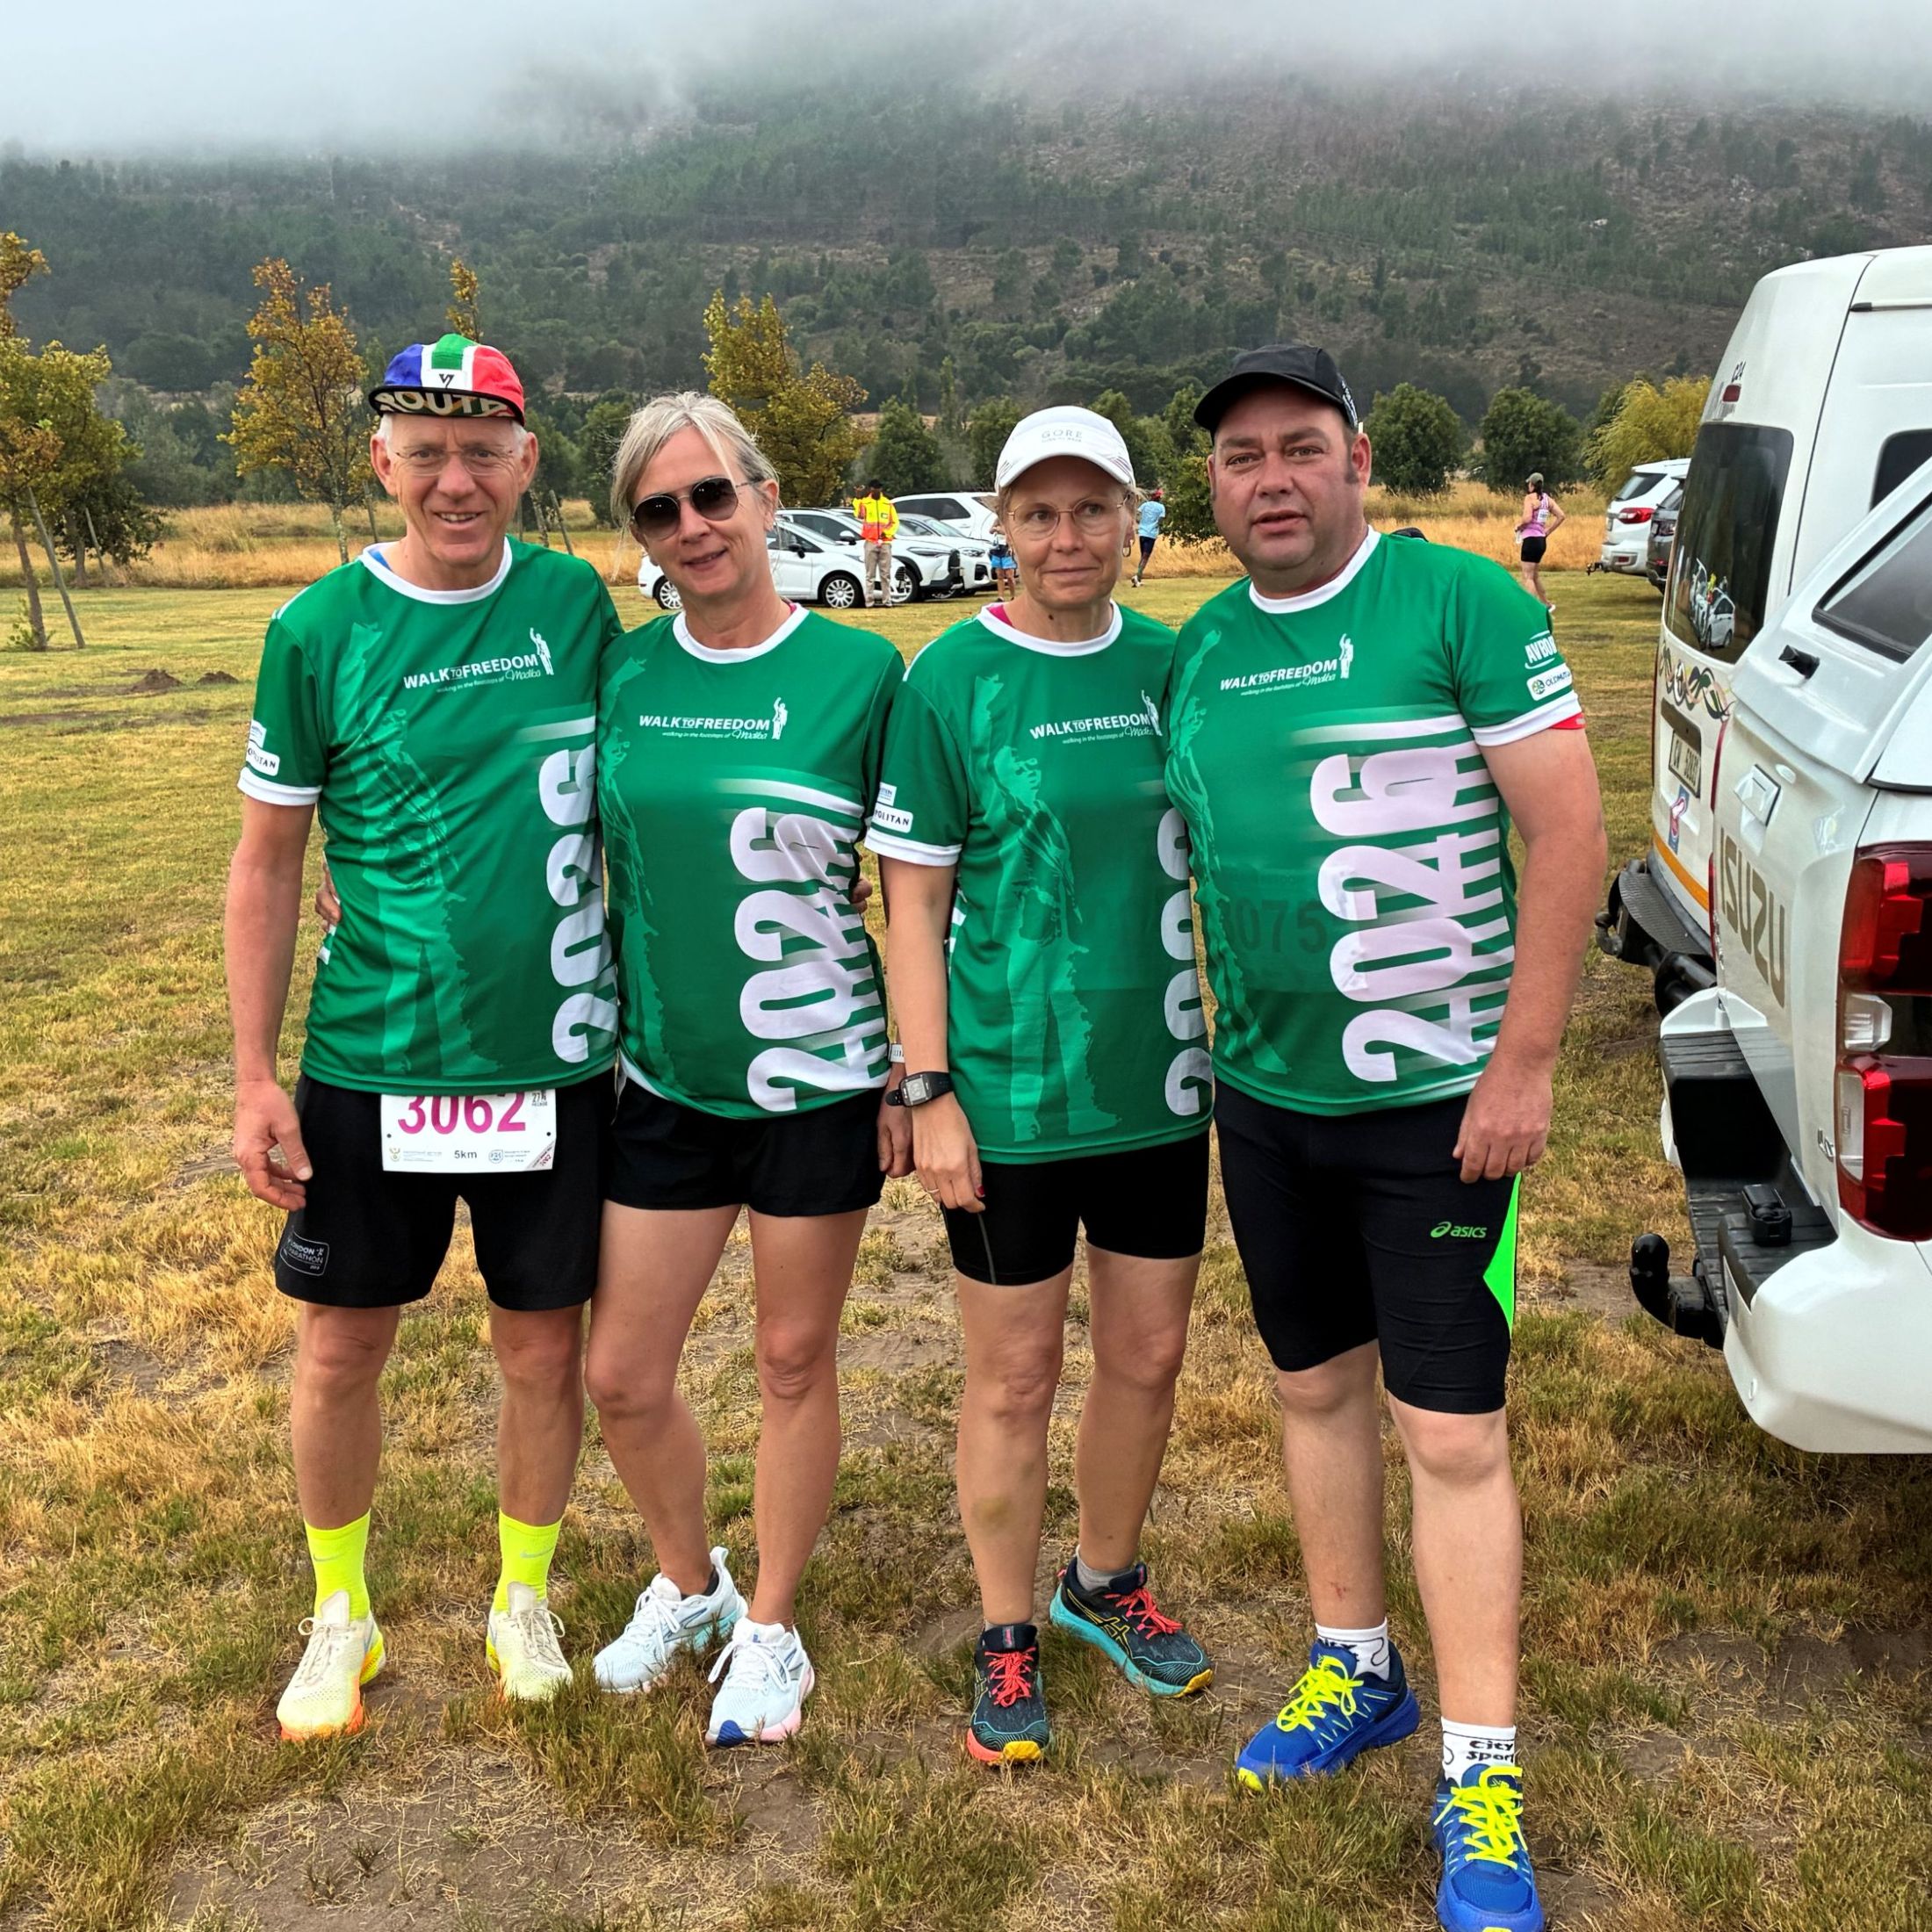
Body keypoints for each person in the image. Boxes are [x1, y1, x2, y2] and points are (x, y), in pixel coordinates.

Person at [1166, 345, 1605, 1932]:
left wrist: (1523, 1064)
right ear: (1210, 489)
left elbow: (1569, 828)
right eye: (1240, 458)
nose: (1270, 479)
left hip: (1442, 1115)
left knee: (1453, 1432)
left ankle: (1481, 1776)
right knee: (1311, 1391)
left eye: (1299, 447)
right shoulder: (1203, 649)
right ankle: (1358, 1667)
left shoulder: (1460, 602)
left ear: (1357, 458)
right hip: (1270, 1102)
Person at [227, 334, 624, 1739]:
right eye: (427, 453)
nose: (457, 481)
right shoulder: (316, 630)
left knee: (541, 1351)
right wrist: (255, 1076)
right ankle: (341, 1613)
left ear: (527, 461)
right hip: (372, 1062)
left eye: (484, 452)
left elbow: (640, 794)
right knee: (342, 1350)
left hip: (557, 1061)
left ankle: (523, 1595)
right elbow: (268, 863)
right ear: (381, 463)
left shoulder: (575, 604)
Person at [871, 406, 1215, 1766]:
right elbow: (911, 904)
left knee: (1148, 1355)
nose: (1066, 537)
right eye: (1037, 513)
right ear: (1001, 527)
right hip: (1009, 1096)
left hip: (1160, 1084)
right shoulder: (950, 680)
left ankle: (1104, 1581)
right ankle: (1006, 1633)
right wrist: (928, 1089)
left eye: (1091, 510)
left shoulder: (1177, 666)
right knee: (1014, 1377)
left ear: (1133, 520)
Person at [584, 393, 910, 1747]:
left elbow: (924, 883)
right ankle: (691, 1582)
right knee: (621, 1372)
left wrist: (917, 1067)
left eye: (712, 494)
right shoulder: (620, 673)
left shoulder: (863, 676)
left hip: (819, 1078)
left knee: (789, 1358)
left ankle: (771, 1624)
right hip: (664, 1077)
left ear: (768, 499)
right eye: (658, 509)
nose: (691, 525)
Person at [1515, 472, 1563, 610]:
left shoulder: (1529, 498)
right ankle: (1546, 604)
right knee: (1535, 576)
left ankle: (1532, 608)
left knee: (1527, 576)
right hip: (1541, 541)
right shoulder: (1547, 500)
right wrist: (1547, 531)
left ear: (1532, 485)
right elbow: (1561, 516)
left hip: (1530, 539)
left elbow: (1527, 519)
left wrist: (1519, 526)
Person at [856, 482, 900, 608]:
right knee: (870, 574)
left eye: (878, 488)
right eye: (873, 488)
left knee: (885, 574)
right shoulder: (865, 502)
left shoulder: (887, 504)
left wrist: (887, 533)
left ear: (881, 489)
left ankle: (887, 601)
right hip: (871, 541)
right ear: (870, 489)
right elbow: (859, 515)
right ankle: (869, 601)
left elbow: (895, 522)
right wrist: (858, 497)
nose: (876, 490)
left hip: (885, 542)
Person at [1131, 484, 1167, 587]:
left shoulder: (1145, 505)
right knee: (1145, 557)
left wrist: (1139, 522)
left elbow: (1137, 514)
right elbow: (1161, 519)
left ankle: (1138, 580)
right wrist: (1156, 525)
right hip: (1151, 534)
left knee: (1143, 555)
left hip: (1142, 532)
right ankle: (1137, 576)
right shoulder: (1161, 507)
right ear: (1159, 498)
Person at [986, 521, 1018, 602]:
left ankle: (1013, 596)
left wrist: (998, 529)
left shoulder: (1009, 520)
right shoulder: (997, 520)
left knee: (1009, 576)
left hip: (1007, 551)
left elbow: (1008, 532)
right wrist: (995, 528)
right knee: (999, 575)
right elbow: (990, 531)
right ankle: (1001, 597)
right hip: (997, 550)